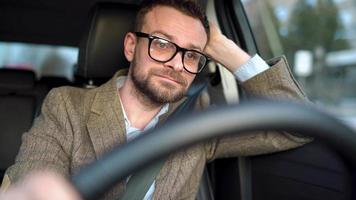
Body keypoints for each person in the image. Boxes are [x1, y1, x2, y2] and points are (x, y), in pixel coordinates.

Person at [1, 0, 311, 199]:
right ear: (130, 47)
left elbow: (297, 126)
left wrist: (220, 47)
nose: (178, 64)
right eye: (162, 44)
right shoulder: (67, 105)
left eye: (192, 54)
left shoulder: (198, 120)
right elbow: (32, 183)